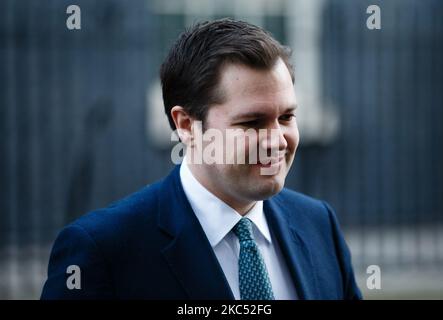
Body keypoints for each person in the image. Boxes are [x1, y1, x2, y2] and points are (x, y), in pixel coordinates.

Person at [41, 18, 362, 300]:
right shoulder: (103, 250)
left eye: (287, 117)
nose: (277, 139)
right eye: (251, 122)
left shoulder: (319, 224)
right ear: (186, 125)